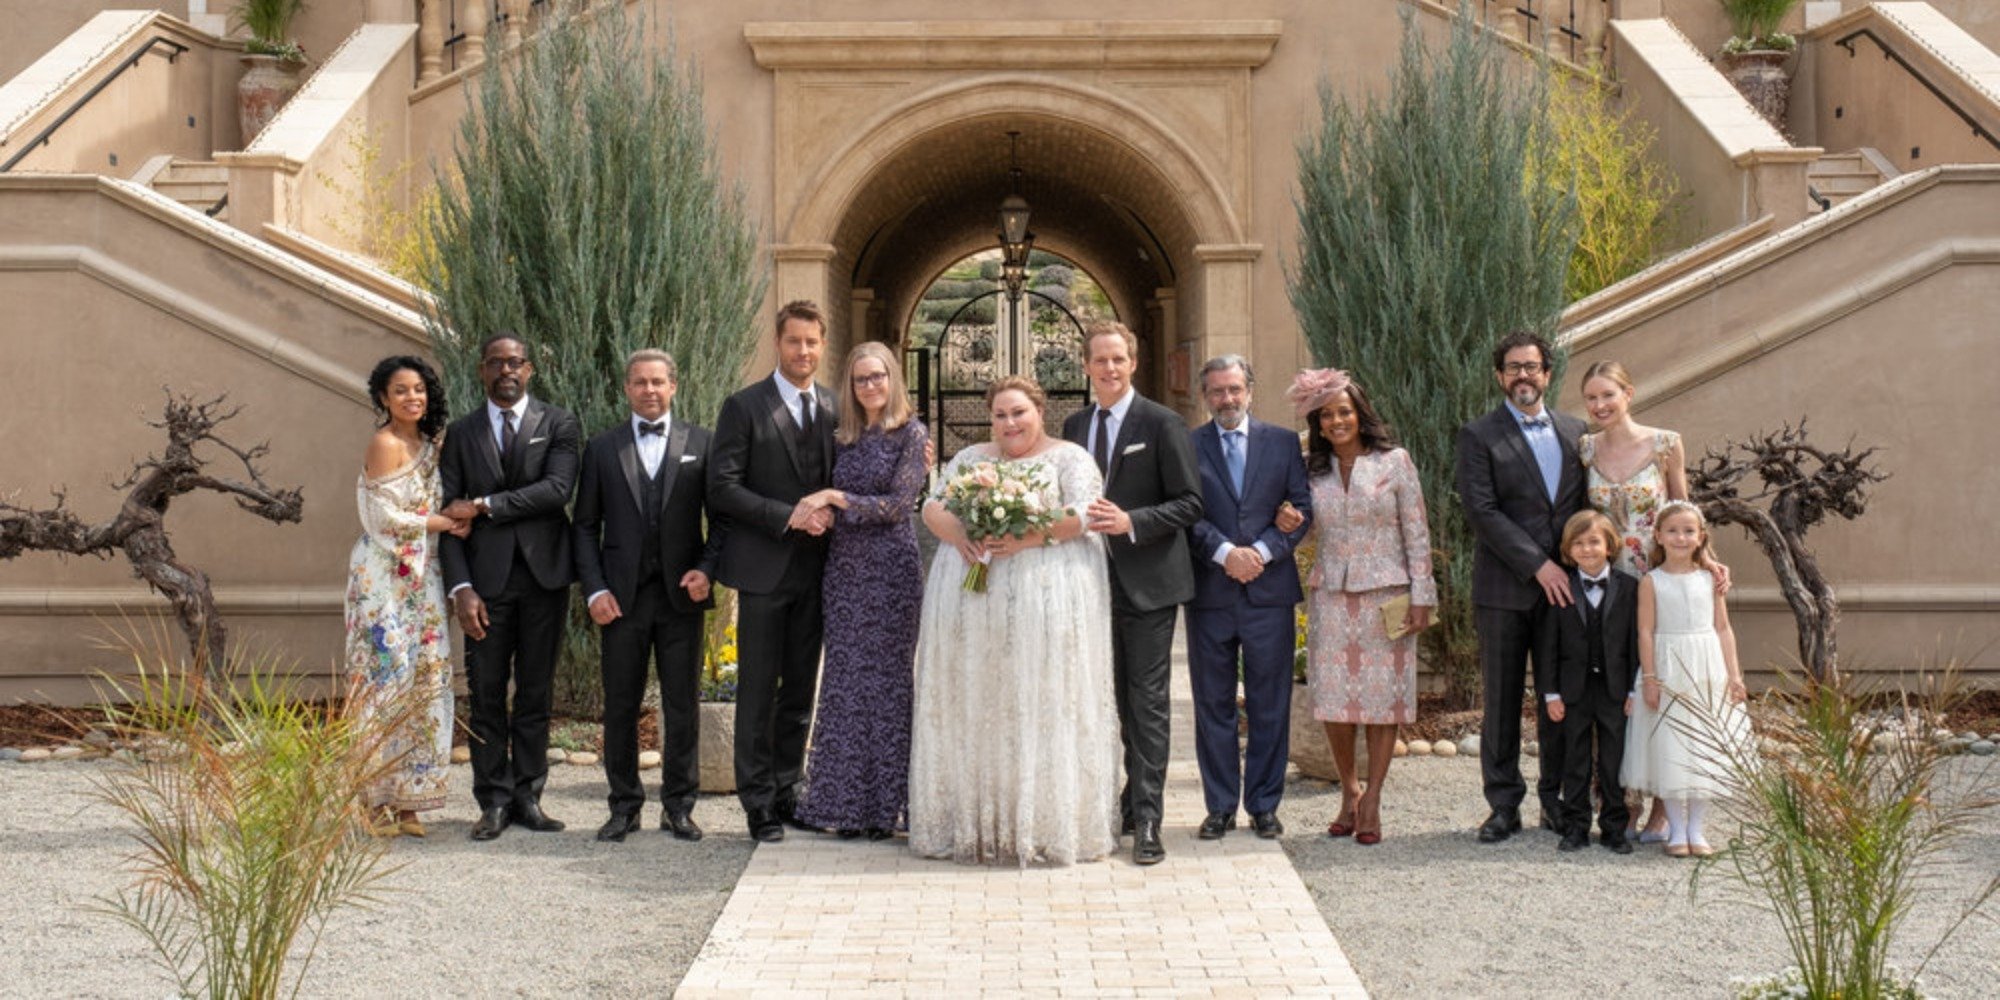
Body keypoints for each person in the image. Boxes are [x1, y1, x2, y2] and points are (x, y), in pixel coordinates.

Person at [908, 376, 1120, 865]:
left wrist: (1026, 538)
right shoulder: (970, 460)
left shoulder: (1069, 458)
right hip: (974, 611)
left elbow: (1086, 513)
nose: (1009, 423)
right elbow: (933, 505)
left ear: (1039, 411)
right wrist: (962, 534)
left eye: (1019, 412)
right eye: (1001, 415)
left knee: (1041, 702)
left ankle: (1044, 824)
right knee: (982, 704)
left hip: (1045, 609)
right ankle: (976, 823)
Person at [1060, 321, 1203, 866]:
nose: (1110, 368)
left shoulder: (1163, 423)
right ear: (1087, 365)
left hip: (1147, 585)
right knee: (1105, 698)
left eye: (1118, 359)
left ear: (1133, 362)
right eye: (1100, 360)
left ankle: (1147, 818)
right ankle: (1117, 802)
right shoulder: (1073, 427)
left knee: (1145, 705)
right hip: (1085, 586)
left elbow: (1191, 502)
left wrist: (1132, 521)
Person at [572, 349, 721, 844]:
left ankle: (679, 807)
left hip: (681, 597)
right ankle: (624, 807)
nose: (649, 390)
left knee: (682, 705)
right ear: (626, 388)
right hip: (620, 600)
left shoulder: (702, 442)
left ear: (674, 386)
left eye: (658, 382)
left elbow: (720, 521)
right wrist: (595, 589)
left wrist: (707, 570)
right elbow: (584, 527)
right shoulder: (602, 448)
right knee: (621, 704)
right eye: (640, 382)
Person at [1577, 359, 1729, 843]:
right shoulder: (1583, 449)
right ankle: (1618, 802)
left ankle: (1665, 807)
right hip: (1606, 586)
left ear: (1628, 394)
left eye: (1608, 395)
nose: (1600, 406)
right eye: (1591, 398)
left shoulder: (1665, 443)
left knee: (1665, 686)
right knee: (1617, 687)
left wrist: (1708, 561)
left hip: (1657, 580)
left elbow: (1686, 512)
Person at [439, 332, 581, 842]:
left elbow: (556, 491)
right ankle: (493, 801)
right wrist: (461, 589)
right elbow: (447, 518)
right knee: (486, 694)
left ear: (530, 369)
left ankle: (529, 796)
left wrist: (484, 506)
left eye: (515, 362)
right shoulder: (460, 433)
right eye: (496, 362)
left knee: (537, 692)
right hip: (485, 584)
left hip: (544, 578)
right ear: (482, 370)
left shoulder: (559, 423)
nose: (506, 370)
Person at [707, 300, 838, 843]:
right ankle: (757, 803)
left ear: (822, 345)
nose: (802, 351)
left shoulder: (834, 407)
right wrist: (790, 515)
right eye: (793, 342)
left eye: (811, 342)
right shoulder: (744, 406)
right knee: (758, 692)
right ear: (777, 344)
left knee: (800, 691)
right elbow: (723, 488)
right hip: (763, 571)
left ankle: (789, 789)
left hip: (819, 573)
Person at [790, 342, 930, 840]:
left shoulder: (913, 434)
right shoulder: (842, 436)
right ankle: (842, 806)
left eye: (878, 377)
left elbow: (896, 506)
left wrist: (831, 497)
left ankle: (885, 810)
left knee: (889, 685)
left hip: (892, 570)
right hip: (845, 569)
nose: (870, 386)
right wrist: (822, 512)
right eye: (860, 379)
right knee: (845, 684)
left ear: (894, 379)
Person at [1454, 330, 1587, 843]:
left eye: (1532, 367)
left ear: (1548, 374)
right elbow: (1481, 511)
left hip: (1567, 592)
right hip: (1505, 590)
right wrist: (1539, 565)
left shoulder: (1577, 432)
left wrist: (1573, 567)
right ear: (1499, 377)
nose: (1523, 376)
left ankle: (1556, 802)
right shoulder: (1479, 435)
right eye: (1513, 367)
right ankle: (1503, 804)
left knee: (1561, 697)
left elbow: (1585, 509)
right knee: (1503, 701)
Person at [1295, 369, 1436, 846]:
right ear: (1318, 422)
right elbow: (1309, 532)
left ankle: (1373, 797)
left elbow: (1416, 530)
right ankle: (1348, 790)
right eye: (1327, 415)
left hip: (1389, 593)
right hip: (1332, 593)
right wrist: (1290, 519)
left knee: (1383, 699)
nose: (1337, 421)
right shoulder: (1312, 469)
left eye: (1344, 411)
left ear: (1360, 414)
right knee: (1334, 701)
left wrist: (1423, 595)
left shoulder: (1394, 462)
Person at [1184, 355, 1311, 841]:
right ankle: (1219, 807)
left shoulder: (1281, 443)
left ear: (1250, 391)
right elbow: (1186, 511)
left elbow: (1301, 507)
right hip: (1211, 595)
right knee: (1212, 704)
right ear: (1205, 397)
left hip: (1269, 593)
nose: (1226, 399)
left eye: (1234, 389)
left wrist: (1258, 551)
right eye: (1216, 391)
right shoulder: (1189, 445)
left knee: (1269, 703)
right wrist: (1223, 553)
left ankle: (1263, 805)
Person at [344, 356, 465, 839]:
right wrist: (441, 522)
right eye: (401, 391)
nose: (412, 398)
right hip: (384, 578)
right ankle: (375, 801)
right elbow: (381, 518)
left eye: (419, 389)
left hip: (423, 575)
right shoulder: (385, 442)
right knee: (384, 682)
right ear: (383, 398)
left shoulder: (428, 446)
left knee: (425, 680)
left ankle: (409, 803)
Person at [1623, 501, 1751, 858]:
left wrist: (1734, 675)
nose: (1681, 537)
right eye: (1674, 531)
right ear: (1659, 536)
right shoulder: (1652, 581)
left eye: (1689, 531)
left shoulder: (1709, 578)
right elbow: (1645, 632)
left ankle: (1697, 827)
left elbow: (1723, 628)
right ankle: (1676, 829)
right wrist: (1650, 678)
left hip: (1706, 666)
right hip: (1668, 668)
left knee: (1704, 747)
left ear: (1701, 537)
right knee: (1672, 745)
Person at [1542, 510, 1637, 855]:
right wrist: (1551, 693)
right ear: (1568, 550)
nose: (1587, 549)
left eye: (1594, 541)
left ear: (1610, 546)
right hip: (1573, 691)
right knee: (1575, 760)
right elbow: (1548, 645)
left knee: (1613, 761)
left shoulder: (1630, 588)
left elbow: (1634, 645)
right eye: (1578, 543)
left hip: (1614, 690)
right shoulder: (1560, 587)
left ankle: (1614, 827)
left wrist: (1632, 689)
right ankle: (1576, 826)